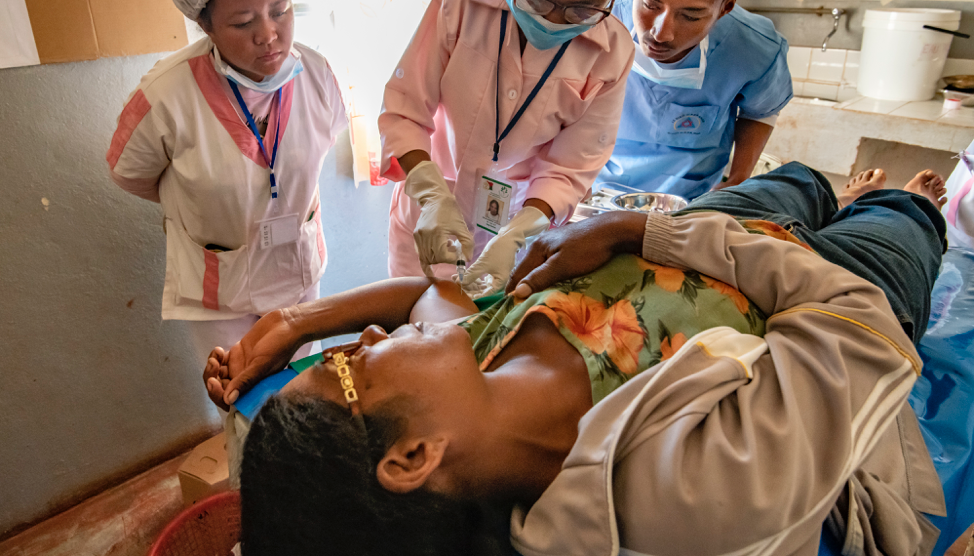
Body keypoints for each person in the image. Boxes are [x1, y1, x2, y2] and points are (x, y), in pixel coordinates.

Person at [205, 164, 947, 556]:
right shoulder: (679, 493)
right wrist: (644, 231)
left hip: (708, 226)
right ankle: (897, 203)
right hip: (829, 274)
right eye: (346, 370)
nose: (361, 342)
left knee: (801, 180)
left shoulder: (474, 365)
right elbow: (860, 326)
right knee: (908, 216)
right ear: (413, 457)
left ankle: (831, 190)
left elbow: (421, 303)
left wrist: (296, 318)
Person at [378, 0, 649, 295]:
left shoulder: (611, 54)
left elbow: (569, 167)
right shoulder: (461, 2)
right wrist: (431, 197)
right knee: (408, 332)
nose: (554, 20)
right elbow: (404, 111)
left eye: (583, 9)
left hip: (515, 226)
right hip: (428, 217)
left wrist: (518, 234)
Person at [107, 0, 347, 364]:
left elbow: (320, 145)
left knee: (301, 392)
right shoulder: (165, 94)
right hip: (218, 287)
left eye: (281, 11)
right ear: (206, 26)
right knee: (241, 402)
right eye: (243, 22)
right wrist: (204, 204)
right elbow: (131, 174)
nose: (268, 34)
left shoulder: (317, 74)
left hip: (296, 268)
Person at [598, 0, 794, 200]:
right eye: (650, 3)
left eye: (690, 15)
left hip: (693, 199)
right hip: (596, 188)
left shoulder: (753, 50)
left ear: (726, 7)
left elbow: (761, 110)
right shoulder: (597, 25)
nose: (661, 33)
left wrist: (739, 176)